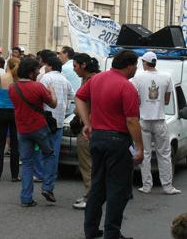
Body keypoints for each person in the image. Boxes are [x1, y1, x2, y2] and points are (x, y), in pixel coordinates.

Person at [75, 49, 143, 239]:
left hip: (97, 138)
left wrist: (87, 123)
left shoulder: (96, 79)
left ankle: (90, 229)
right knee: (118, 189)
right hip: (118, 140)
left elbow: (79, 97)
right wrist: (139, 147)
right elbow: (131, 120)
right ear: (129, 66)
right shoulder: (126, 86)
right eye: (135, 66)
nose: (136, 69)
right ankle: (112, 233)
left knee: (98, 186)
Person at [8, 57, 57, 207]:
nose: (38, 72)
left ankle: (26, 197)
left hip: (22, 128)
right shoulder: (38, 87)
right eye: (36, 70)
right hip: (39, 127)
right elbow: (53, 104)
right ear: (31, 73)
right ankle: (47, 187)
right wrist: (52, 92)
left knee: (27, 163)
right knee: (49, 154)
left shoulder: (12, 87)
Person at [132, 51, 181, 195]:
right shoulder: (166, 76)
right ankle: (168, 186)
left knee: (145, 153)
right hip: (159, 119)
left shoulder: (138, 77)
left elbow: (134, 97)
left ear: (145, 63)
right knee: (164, 154)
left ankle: (146, 186)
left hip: (143, 120)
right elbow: (166, 100)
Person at [71, 53, 100, 210]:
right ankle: (91, 194)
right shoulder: (91, 79)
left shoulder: (92, 81)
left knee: (88, 165)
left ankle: (90, 197)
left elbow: (81, 105)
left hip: (88, 128)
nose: (74, 69)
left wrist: (80, 112)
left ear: (83, 65)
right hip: (92, 127)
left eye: (75, 66)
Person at [36, 56, 73, 176]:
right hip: (60, 119)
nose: (44, 68)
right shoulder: (65, 79)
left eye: (46, 65)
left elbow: (39, 96)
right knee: (54, 149)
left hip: (46, 118)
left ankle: (40, 173)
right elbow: (72, 96)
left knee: (42, 147)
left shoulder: (46, 78)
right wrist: (65, 107)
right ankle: (52, 173)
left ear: (50, 66)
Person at [0, 58, 20, 182]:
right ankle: (14, 175)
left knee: (0, 143)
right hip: (15, 112)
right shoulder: (18, 81)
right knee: (15, 144)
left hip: (1, 111)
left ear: (7, 65)